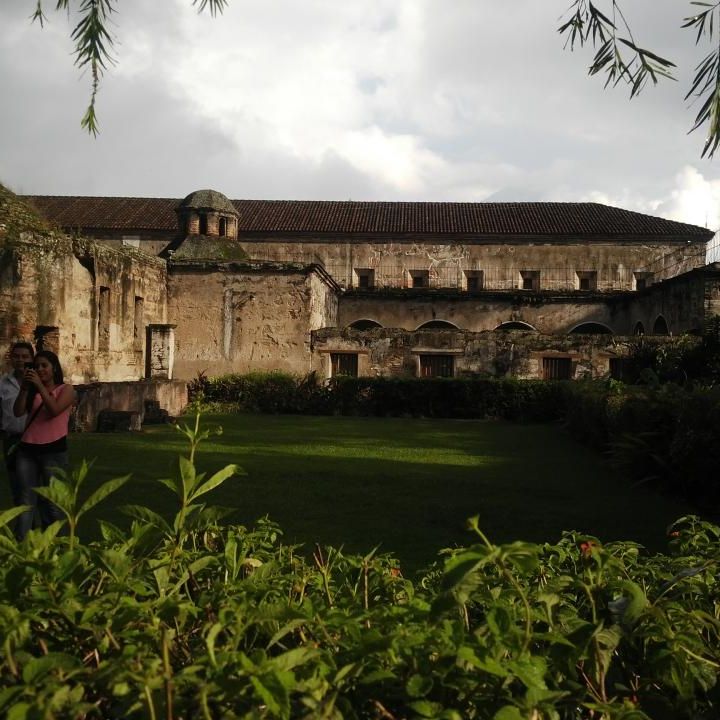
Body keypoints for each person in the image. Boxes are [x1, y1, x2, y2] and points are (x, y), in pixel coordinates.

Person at [13, 350, 76, 539]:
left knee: (53, 501)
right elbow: (17, 412)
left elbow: (54, 410)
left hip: (53, 450)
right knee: (26, 500)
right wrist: (25, 388)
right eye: (37, 366)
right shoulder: (32, 390)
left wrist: (40, 386)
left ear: (54, 368)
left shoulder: (66, 390)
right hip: (28, 449)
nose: (40, 369)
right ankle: (22, 546)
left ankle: (57, 544)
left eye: (44, 366)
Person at [0, 342, 35, 510]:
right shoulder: (3, 383)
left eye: (25, 356)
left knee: (39, 488)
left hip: (36, 440)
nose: (20, 360)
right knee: (16, 487)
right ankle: (24, 529)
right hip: (12, 439)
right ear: (11, 359)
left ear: (31, 359)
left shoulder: (39, 383)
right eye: (16, 356)